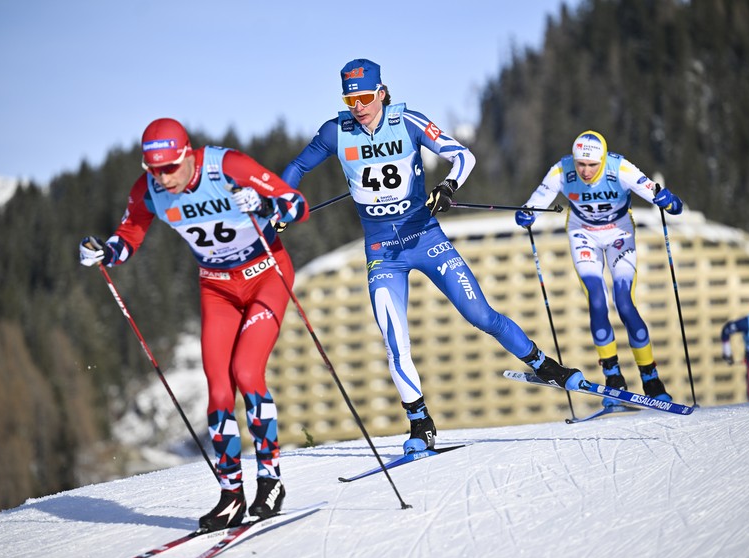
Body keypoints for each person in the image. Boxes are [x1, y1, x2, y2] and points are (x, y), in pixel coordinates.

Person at [281, 58, 587, 454]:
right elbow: (295, 167)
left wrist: (447, 185)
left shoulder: (408, 121)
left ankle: (544, 365)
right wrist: (282, 205)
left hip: (425, 238)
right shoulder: (335, 132)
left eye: (365, 96)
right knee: (396, 340)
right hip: (382, 252)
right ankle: (419, 422)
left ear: (382, 92)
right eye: (350, 98)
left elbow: (464, 156)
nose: (358, 106)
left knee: (481, 316)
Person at [78, 118, 309, 532]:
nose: (163, 178)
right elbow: (130, 234)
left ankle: (271, 480)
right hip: (216, 287)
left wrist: (264, 205)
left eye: (170, 168)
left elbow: (298, 205)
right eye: (154, 170)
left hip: (266, 275)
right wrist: (104, 252)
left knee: (246, 372)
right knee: (219, 390)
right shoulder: (147, 189)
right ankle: (231, 495)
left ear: (187, 155)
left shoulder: (228, 167)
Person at [515, 130, 684, 406]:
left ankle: (651, 378)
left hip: (619, 231)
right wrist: (526, 213)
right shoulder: (562, 169)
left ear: (603, 160)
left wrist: (670, 202)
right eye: (580, 163)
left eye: (592, 165)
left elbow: (657, 193)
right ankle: (613, 376)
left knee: (624, 302)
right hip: (583, 233)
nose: (585, 170)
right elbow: (536, 202)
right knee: (596, 299)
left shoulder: (621, 168)